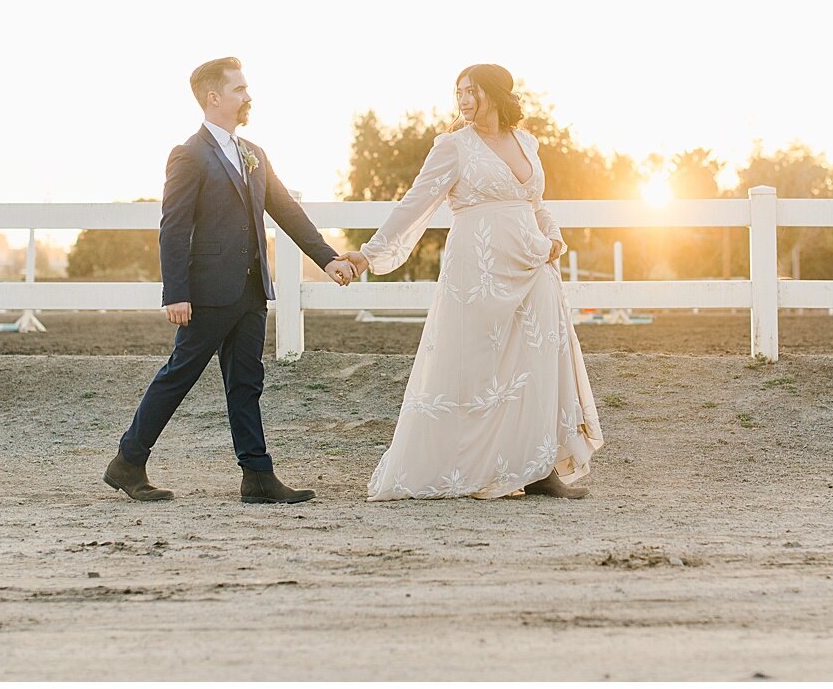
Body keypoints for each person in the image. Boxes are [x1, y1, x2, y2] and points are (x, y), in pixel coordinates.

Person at [339, 64, 603, 500]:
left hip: (533, 266)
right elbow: (415, 203)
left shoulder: (527, 142)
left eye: (471, 91)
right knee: (475, 369)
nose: (462, 100)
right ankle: (469, 464)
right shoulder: (453, 147)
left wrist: (552, 234)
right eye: (458, 91)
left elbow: (535, 202)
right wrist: (368, 254)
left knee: (536, 367)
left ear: (496, 95)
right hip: (478, 273)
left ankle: (539, 468)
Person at [104, 57, 357, 504]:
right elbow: (174, 227)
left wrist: (327, 258)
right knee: (179, 375)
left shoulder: (255, 153)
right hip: (207, 293)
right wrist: (176, 292)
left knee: (246, 381)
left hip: (252, 289)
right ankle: (128, 461)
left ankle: (257, 477)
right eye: (239, 89)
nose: (247, 96)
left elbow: (287, 212)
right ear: (213, 98)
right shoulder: (188, 154)